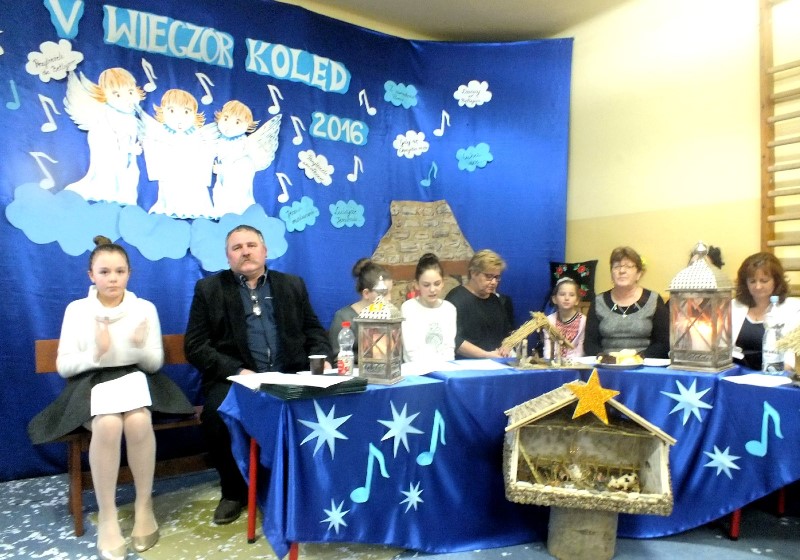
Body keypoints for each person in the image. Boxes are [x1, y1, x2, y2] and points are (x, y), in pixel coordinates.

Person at [27, 236, 194, 560]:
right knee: (107, 424)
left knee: (138, 420)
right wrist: (97, 353)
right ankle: (107, 515)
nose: (113, 278)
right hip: (92, 383)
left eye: (119, 271)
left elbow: (153, 363)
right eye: (104, 272)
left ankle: (144, 505)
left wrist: (136, 347)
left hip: (135, 379)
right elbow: (64, 366)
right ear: (91, 275)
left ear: (129, 273)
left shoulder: (144, 309)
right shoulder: (78, 310)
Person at [185, 225, 331, 525]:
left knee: (328, 405)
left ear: (264, 251)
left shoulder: (292, 285)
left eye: (251, 245)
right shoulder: (209, 290)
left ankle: (314, 483)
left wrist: (322, 360)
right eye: (237, 247)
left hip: (290, 374)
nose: (245, 252)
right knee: (215, 415)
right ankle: (233, 492)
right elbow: (195, 346)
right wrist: (238, 371)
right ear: (228, 256)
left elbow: (314, 331)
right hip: (236, 379)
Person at [584, 246, 669, 358]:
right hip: (607, 363)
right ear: (611, 273)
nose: (622, 271)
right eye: (616, 266)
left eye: (628, 266)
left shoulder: (654, 300)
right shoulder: (598, 302)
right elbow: (590, 344)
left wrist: (636, 359)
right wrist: (607, 359)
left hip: (644, 362)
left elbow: (663, 343)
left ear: (638, 274)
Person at [732, 252, 800, 371]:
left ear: (776, 281)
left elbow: (791, 354)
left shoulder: (792, 308)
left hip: (774, 373)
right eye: (752, 281)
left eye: (764, 281)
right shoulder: (733, 306)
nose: (758, 286)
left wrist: (780, 372)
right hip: (736, 372)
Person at [445, 249, 514, 358]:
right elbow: (454, 339)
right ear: (473, 273)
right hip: (467, 364)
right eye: (489, 276)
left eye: (497, 277)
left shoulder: (495, 300)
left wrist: (507, 345)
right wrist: (485, 355)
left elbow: (506, 332)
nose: (494, 282)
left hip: (495, 362)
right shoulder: (456, 299)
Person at [329, 258, 393, 362]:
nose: (389, 298)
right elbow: (338, 358)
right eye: (384, 293)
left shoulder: (389, 315)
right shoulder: (344, 317)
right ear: (366, 293)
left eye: (390, 292)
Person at [401, 253, 457, 362]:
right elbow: (410, 350)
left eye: (437, 284)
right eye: (426, 285)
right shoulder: (408, 308)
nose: (432, 290)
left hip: (444, 367)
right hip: (417, 369)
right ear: (417, 285)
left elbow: (449, 348)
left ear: (443, 283)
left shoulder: (449, 309)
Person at [542, 277, 586, 360]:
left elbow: (580, 350)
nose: (566, 298)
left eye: (571, 295)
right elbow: (548, 349)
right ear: (554, 299)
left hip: (575, 363)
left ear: (577, 300)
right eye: (562, 294)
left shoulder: (583, 321)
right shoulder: (549, 321)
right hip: (553, 363)